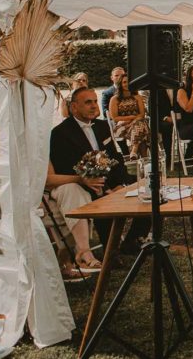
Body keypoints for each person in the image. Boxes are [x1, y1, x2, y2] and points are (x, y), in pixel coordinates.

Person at [46, 87, 150, 274]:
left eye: (95, 101)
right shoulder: (60, 133)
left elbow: (115, 158)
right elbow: (64, 167)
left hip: (108, 180)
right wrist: (102, 186)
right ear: (74, 107)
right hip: (82, 184)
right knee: (103, 200)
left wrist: (120, 183)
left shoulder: (102, 126)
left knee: (148, 189)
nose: (94, 106)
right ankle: (112, 251)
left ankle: (132, 240)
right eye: (88, 102)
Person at [108, 77, 149, 159]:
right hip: (122, 127)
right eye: (124, 82)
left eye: (129, 82)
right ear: (120, 84)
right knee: (142, 131)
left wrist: (133, 121)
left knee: (139, 125)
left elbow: (142, 114)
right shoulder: (114, 99)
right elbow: (115, 118)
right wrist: (131, 118)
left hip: (138, 123)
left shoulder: (137, 97)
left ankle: (134, 151)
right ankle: (144, 160)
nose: (127, 84)